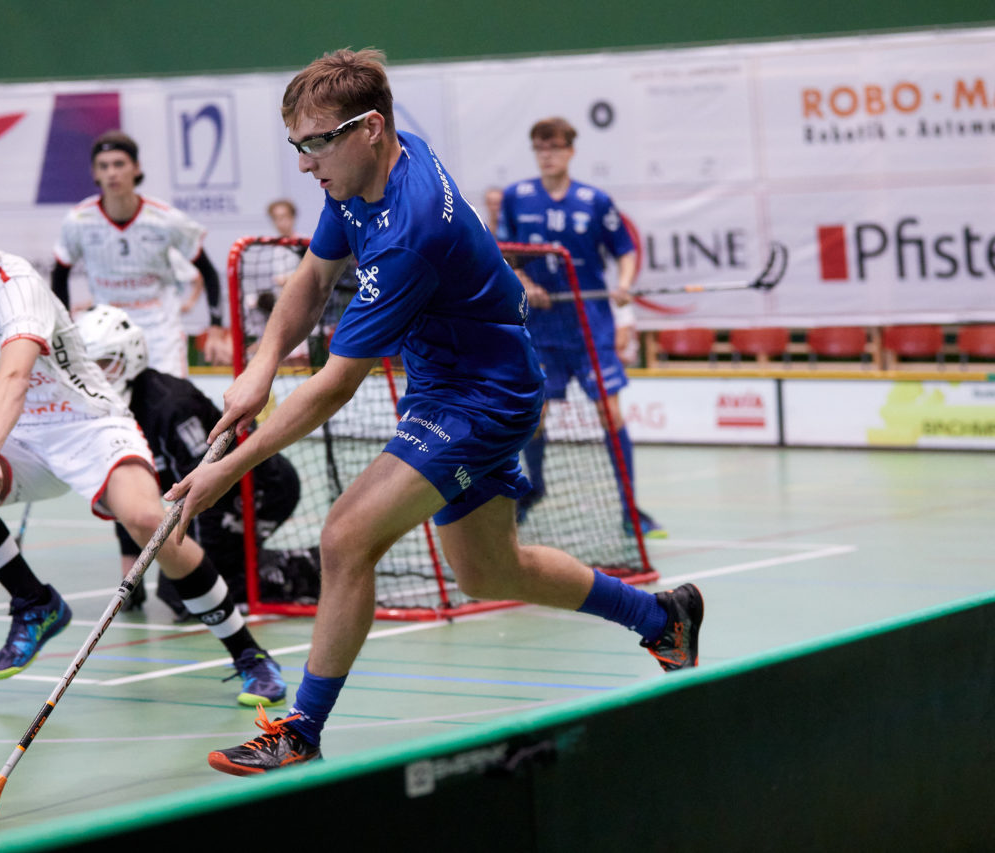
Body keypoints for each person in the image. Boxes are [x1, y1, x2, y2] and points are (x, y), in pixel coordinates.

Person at [166, 49, 703, 775]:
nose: (305, 163)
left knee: (346, 536)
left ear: (370, 127)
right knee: (488, 570)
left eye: (316, 142)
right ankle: (661, 617)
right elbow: (315, 274)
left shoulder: (410, 230)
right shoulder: (365, 168)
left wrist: (225, 470)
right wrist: (259, 367)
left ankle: (301, 727)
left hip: (482, 398)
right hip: (447, 382)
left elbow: (333, 385)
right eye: (298, 144)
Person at [0, 164, 286, 707]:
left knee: (151, 522)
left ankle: (248, 654)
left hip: (87, 425)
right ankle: (34, 603)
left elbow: (14, 372)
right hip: (25, 435)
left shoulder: (17, 286)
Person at [74, 305, 320, 618]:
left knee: (188, 591)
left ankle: (303, 568)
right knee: (187, 583)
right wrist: (129, 576)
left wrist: (202, 568)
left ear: (130, 355)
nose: (97, 375)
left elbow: (206, 495)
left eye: (104, 363)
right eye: (89, 366)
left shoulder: (171, 407)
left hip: (259, 489)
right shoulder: (114, 413)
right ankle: (250, 561)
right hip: (215, 497)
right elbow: (129, 498)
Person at [499, 117, 662, 536]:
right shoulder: (517, 197)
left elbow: (624, 250)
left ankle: (630, 510)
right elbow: (504, 255)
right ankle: (532, 489)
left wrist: (624, 286)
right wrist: (526, 283)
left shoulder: (594, 200)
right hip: (540, 328)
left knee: (610, 413)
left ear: (571, 151)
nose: (547, 154)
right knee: (534, 417)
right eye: (540, 148)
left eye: (554, 147)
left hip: (590, 328)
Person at [51, 130, 222, 379]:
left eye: (119, 164)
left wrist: (216, 327)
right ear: (95, 173)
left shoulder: (166, 218)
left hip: (160, 329)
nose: (112, 172)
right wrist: (64, 331)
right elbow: (59, 275)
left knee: (168, 405)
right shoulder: (78, 220)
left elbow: (208, 272)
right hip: (105, 327)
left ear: (136, 168)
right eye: (104, 166)